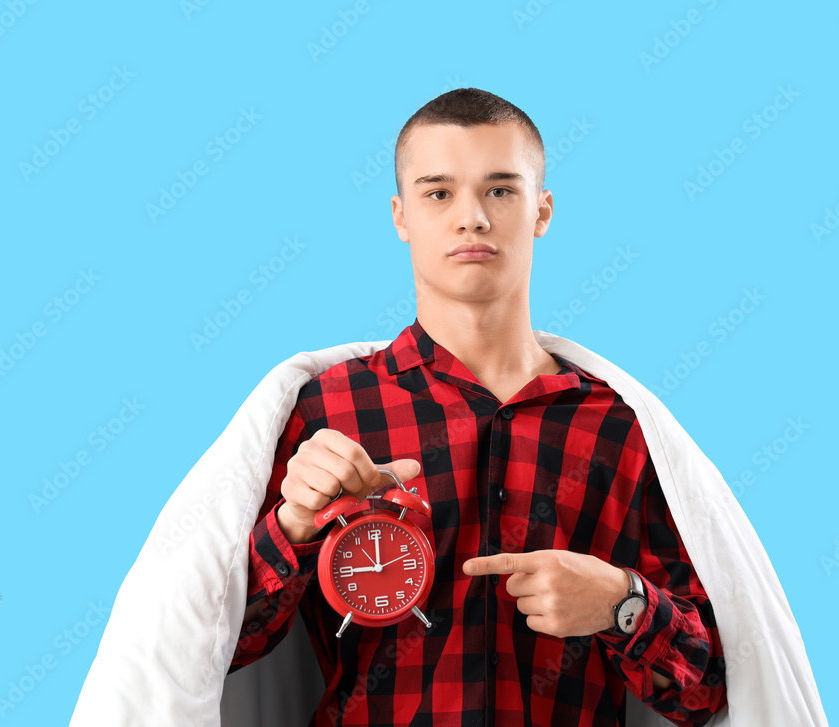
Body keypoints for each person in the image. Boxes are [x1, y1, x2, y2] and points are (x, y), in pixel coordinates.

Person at [228, 88, 727, 726]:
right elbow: (214, 649)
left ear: (542, 210)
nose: (472, 218)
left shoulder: (621, 426)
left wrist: (620, 604)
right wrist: (294, 525)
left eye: (500, 190)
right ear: (401, 215)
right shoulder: (323, 410)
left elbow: (704, 693)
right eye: (439, 193)